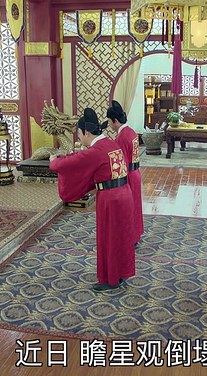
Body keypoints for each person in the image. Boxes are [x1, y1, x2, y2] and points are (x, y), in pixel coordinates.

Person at [50, 108, 136, 292]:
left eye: (79, 134)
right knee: (121, 237)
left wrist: (53, 161)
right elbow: (82, 158)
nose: (79, 138)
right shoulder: (111, 144)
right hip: (124, 194)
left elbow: (67, 164)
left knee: (109, 238)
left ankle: (110, 280)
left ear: (86, 133)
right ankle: (120, 273)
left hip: (110, 199)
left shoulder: (96, 151)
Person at [107, 100, 144, 244]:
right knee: (135, 205)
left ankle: (130, 237)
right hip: (136, 173)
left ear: (115, 120)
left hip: (128, 175)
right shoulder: (131, 131)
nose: (109, 125)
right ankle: (135, 234)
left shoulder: (121, 137)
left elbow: (121, 163)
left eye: (109, 122)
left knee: (128, 207)